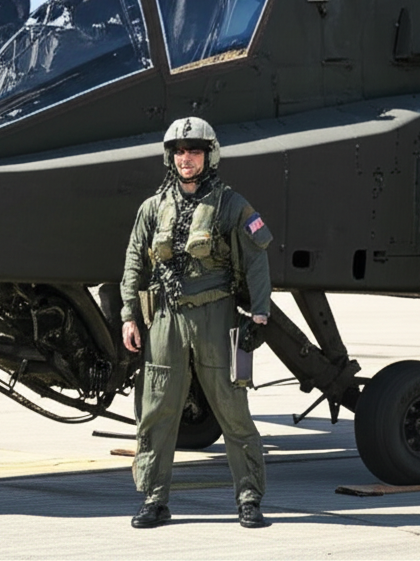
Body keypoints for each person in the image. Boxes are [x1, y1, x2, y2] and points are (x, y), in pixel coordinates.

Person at [120, 116, 273, 529]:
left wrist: (260, 312)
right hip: (166, 319)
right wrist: (129, 315)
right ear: (171, 158)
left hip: (216, 315)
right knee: (156, 411)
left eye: (195, 152)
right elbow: (135, 262)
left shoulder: (231, 205)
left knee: (232, 409)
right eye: (180, 152)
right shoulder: (153, 208)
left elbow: (257, 258)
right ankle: (154, 499)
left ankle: (249, 498)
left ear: (209, 156)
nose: (187, 159)